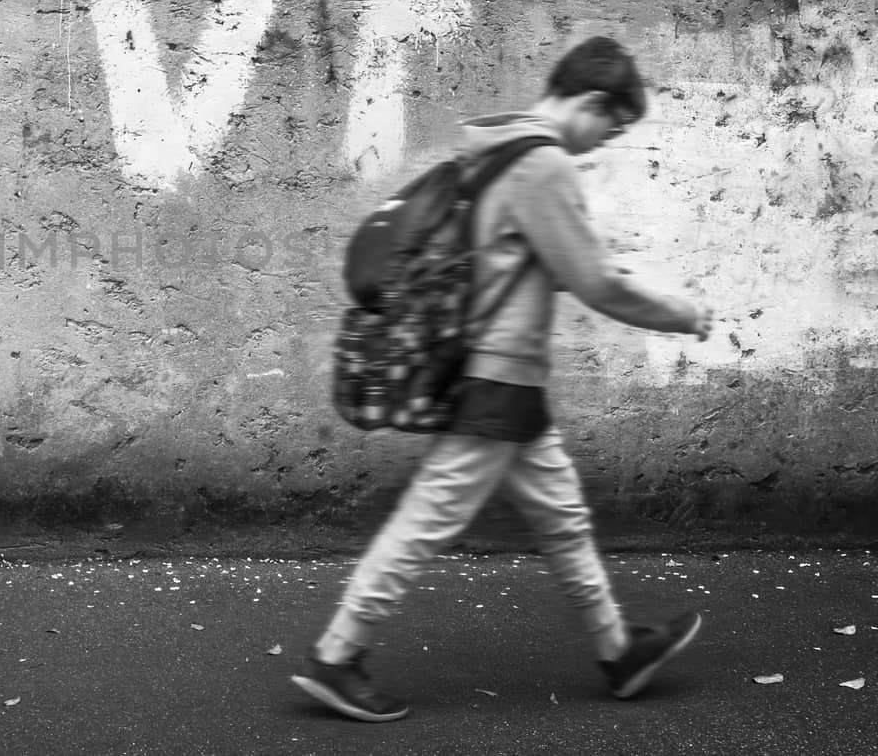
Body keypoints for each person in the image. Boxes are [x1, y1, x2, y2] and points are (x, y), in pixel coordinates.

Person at [292, 36, 715, 722]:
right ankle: (336, 656)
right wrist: (682, 312)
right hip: (497, 379)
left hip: (505, 380)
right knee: (425, 522)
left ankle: (618, 651)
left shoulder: (495, 146)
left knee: (564, 518)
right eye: (613, 124)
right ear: (591, 101)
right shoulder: (542, 163)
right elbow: (596, 280)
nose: (608, 140)